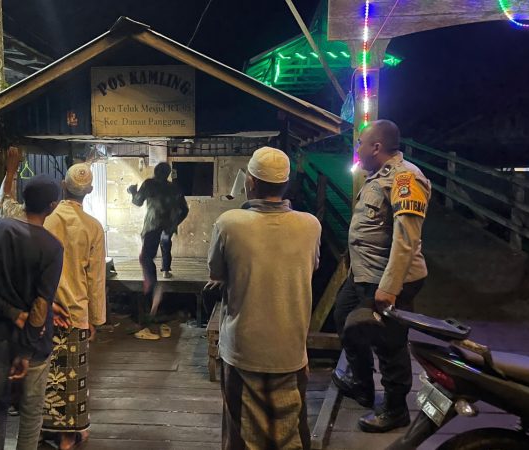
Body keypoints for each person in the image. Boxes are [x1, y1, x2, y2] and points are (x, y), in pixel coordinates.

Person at [207, 147, 321, 450]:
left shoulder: (229, 223)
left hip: (242, 348)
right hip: (291, 349)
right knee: (291, 431)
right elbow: (311, 267)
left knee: (241, 435)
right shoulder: (310, 225)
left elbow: (216, 273)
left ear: (251, 182)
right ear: (286, 184)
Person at [0, 148, 107, 449]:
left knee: (40, 375)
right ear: (89, 192)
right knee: (71, 377)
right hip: (74, 312)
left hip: (39, 310)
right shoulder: (93, 228)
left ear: (63, 186)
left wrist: (10, 172)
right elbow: (96, 279)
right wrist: (95, 319)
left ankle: (39, 430)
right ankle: (67, 436)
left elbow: (5, 205)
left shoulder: (40, 218)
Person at [332, 120, 431, 433]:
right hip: (364, 273)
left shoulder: (405, 178)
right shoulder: (377, 176)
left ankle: (395, 408)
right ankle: (361, 384)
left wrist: (389, 288)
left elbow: (406, 239)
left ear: (376, 147)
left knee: (389, 342)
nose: (357, 149)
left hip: (388, 278)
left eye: (360, 143)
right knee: (344, 318)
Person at [0, 173, 70, 450]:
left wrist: (12, 312)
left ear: (24, 199)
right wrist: (26, 352)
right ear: (52, 207)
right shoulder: (51, 247)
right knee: (31, 411)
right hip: (34, 341)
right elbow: (41, 304)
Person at [127, 162, 189, 340]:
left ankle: (152, 285)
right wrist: (174, 223)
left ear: (155, 172)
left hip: (152, 225)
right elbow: (185, 210)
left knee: (145, 257)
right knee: (166, 245)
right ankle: (166, 270)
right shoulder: (174, 188)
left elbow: (138, 202)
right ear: (168, 173)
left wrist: (132, 192)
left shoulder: (149, 184)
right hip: (167, 226)